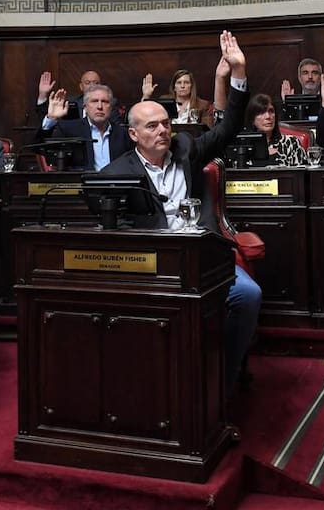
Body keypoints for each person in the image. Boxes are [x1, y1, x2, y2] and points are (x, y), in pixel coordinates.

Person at [99, 31, 259, 395]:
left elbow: (229, 127)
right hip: (152, 260)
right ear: (134, 134)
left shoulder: (186, 149)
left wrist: (237, 74)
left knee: (247, 295)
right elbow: (114, 226)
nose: (163, 131)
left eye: (166, 124)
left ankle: (222, 382)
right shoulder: (116, 175)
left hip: (202, 254)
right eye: (152, 126)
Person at [37, 83, 132, 171]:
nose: (99, 106)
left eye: (104, 101)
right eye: (94, 101)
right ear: (85, 107)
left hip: (117, 186)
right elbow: (38, 149)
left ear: (111, 107)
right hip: (82, 186)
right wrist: (51, 119)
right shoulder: (68, 129)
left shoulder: (123, 133)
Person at [245, 93, 307, 166]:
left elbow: (302, 175)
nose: (268, 116)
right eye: (261, 112)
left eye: (271, 111)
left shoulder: (291, 143)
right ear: (252, 119)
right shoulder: (244, 147)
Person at [141, 69, 215, 126]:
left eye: (186, 82)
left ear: (191, 86)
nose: (182, 86)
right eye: (179, 83)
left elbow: (207, 131)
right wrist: (146, 96)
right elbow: (144, 117)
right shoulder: (164, 101)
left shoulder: (203, 105)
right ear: (174, 87)